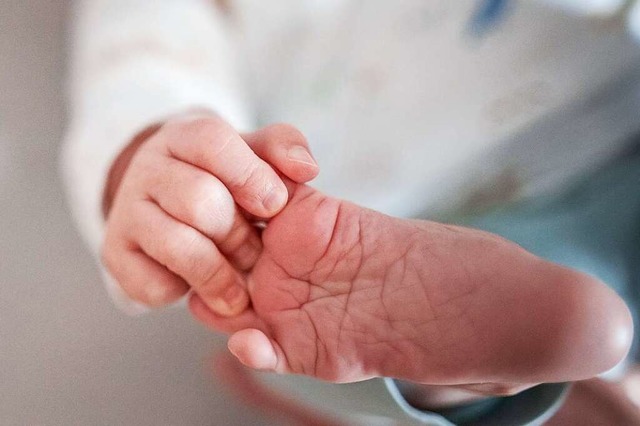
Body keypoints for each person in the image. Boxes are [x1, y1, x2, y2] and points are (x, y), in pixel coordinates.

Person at [62, 0, 640, 424]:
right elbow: (143, 33)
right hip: (288, 200)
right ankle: (470, 387)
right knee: (299, 316)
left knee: (575, 277)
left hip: (559, 170)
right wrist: (148, 143)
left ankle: (474, 386)